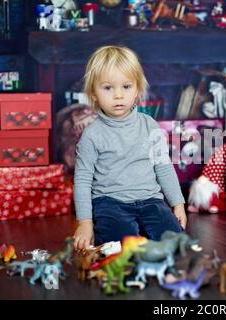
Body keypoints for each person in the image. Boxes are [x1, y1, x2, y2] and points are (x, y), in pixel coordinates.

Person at [73, 46, 187, 251]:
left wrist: (177, 204)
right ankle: (131, 236)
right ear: (94, 94)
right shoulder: (92, 135)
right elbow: (82, 180)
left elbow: (163, 167)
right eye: (108, 88)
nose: (118, 95)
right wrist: (85, 224)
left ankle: (146, 236)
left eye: (126, 86)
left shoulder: (149, 125)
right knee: (117, 246)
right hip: (110, 202)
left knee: (175, 242)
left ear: (137, 91)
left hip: (151, 200)